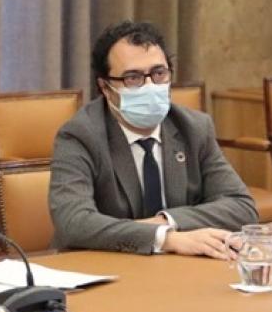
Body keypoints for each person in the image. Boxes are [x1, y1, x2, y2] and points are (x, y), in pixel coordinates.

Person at [49, 21, 257, 258]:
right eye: (133, 77)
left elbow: (241, 207)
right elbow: (73, 222)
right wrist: (164, 238)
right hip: (103, 264)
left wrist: (165, 222)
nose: (150, 86)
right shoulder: (79, 135)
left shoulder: (194, 128)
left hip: (177, 267)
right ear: (105, 87)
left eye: (159, 74)